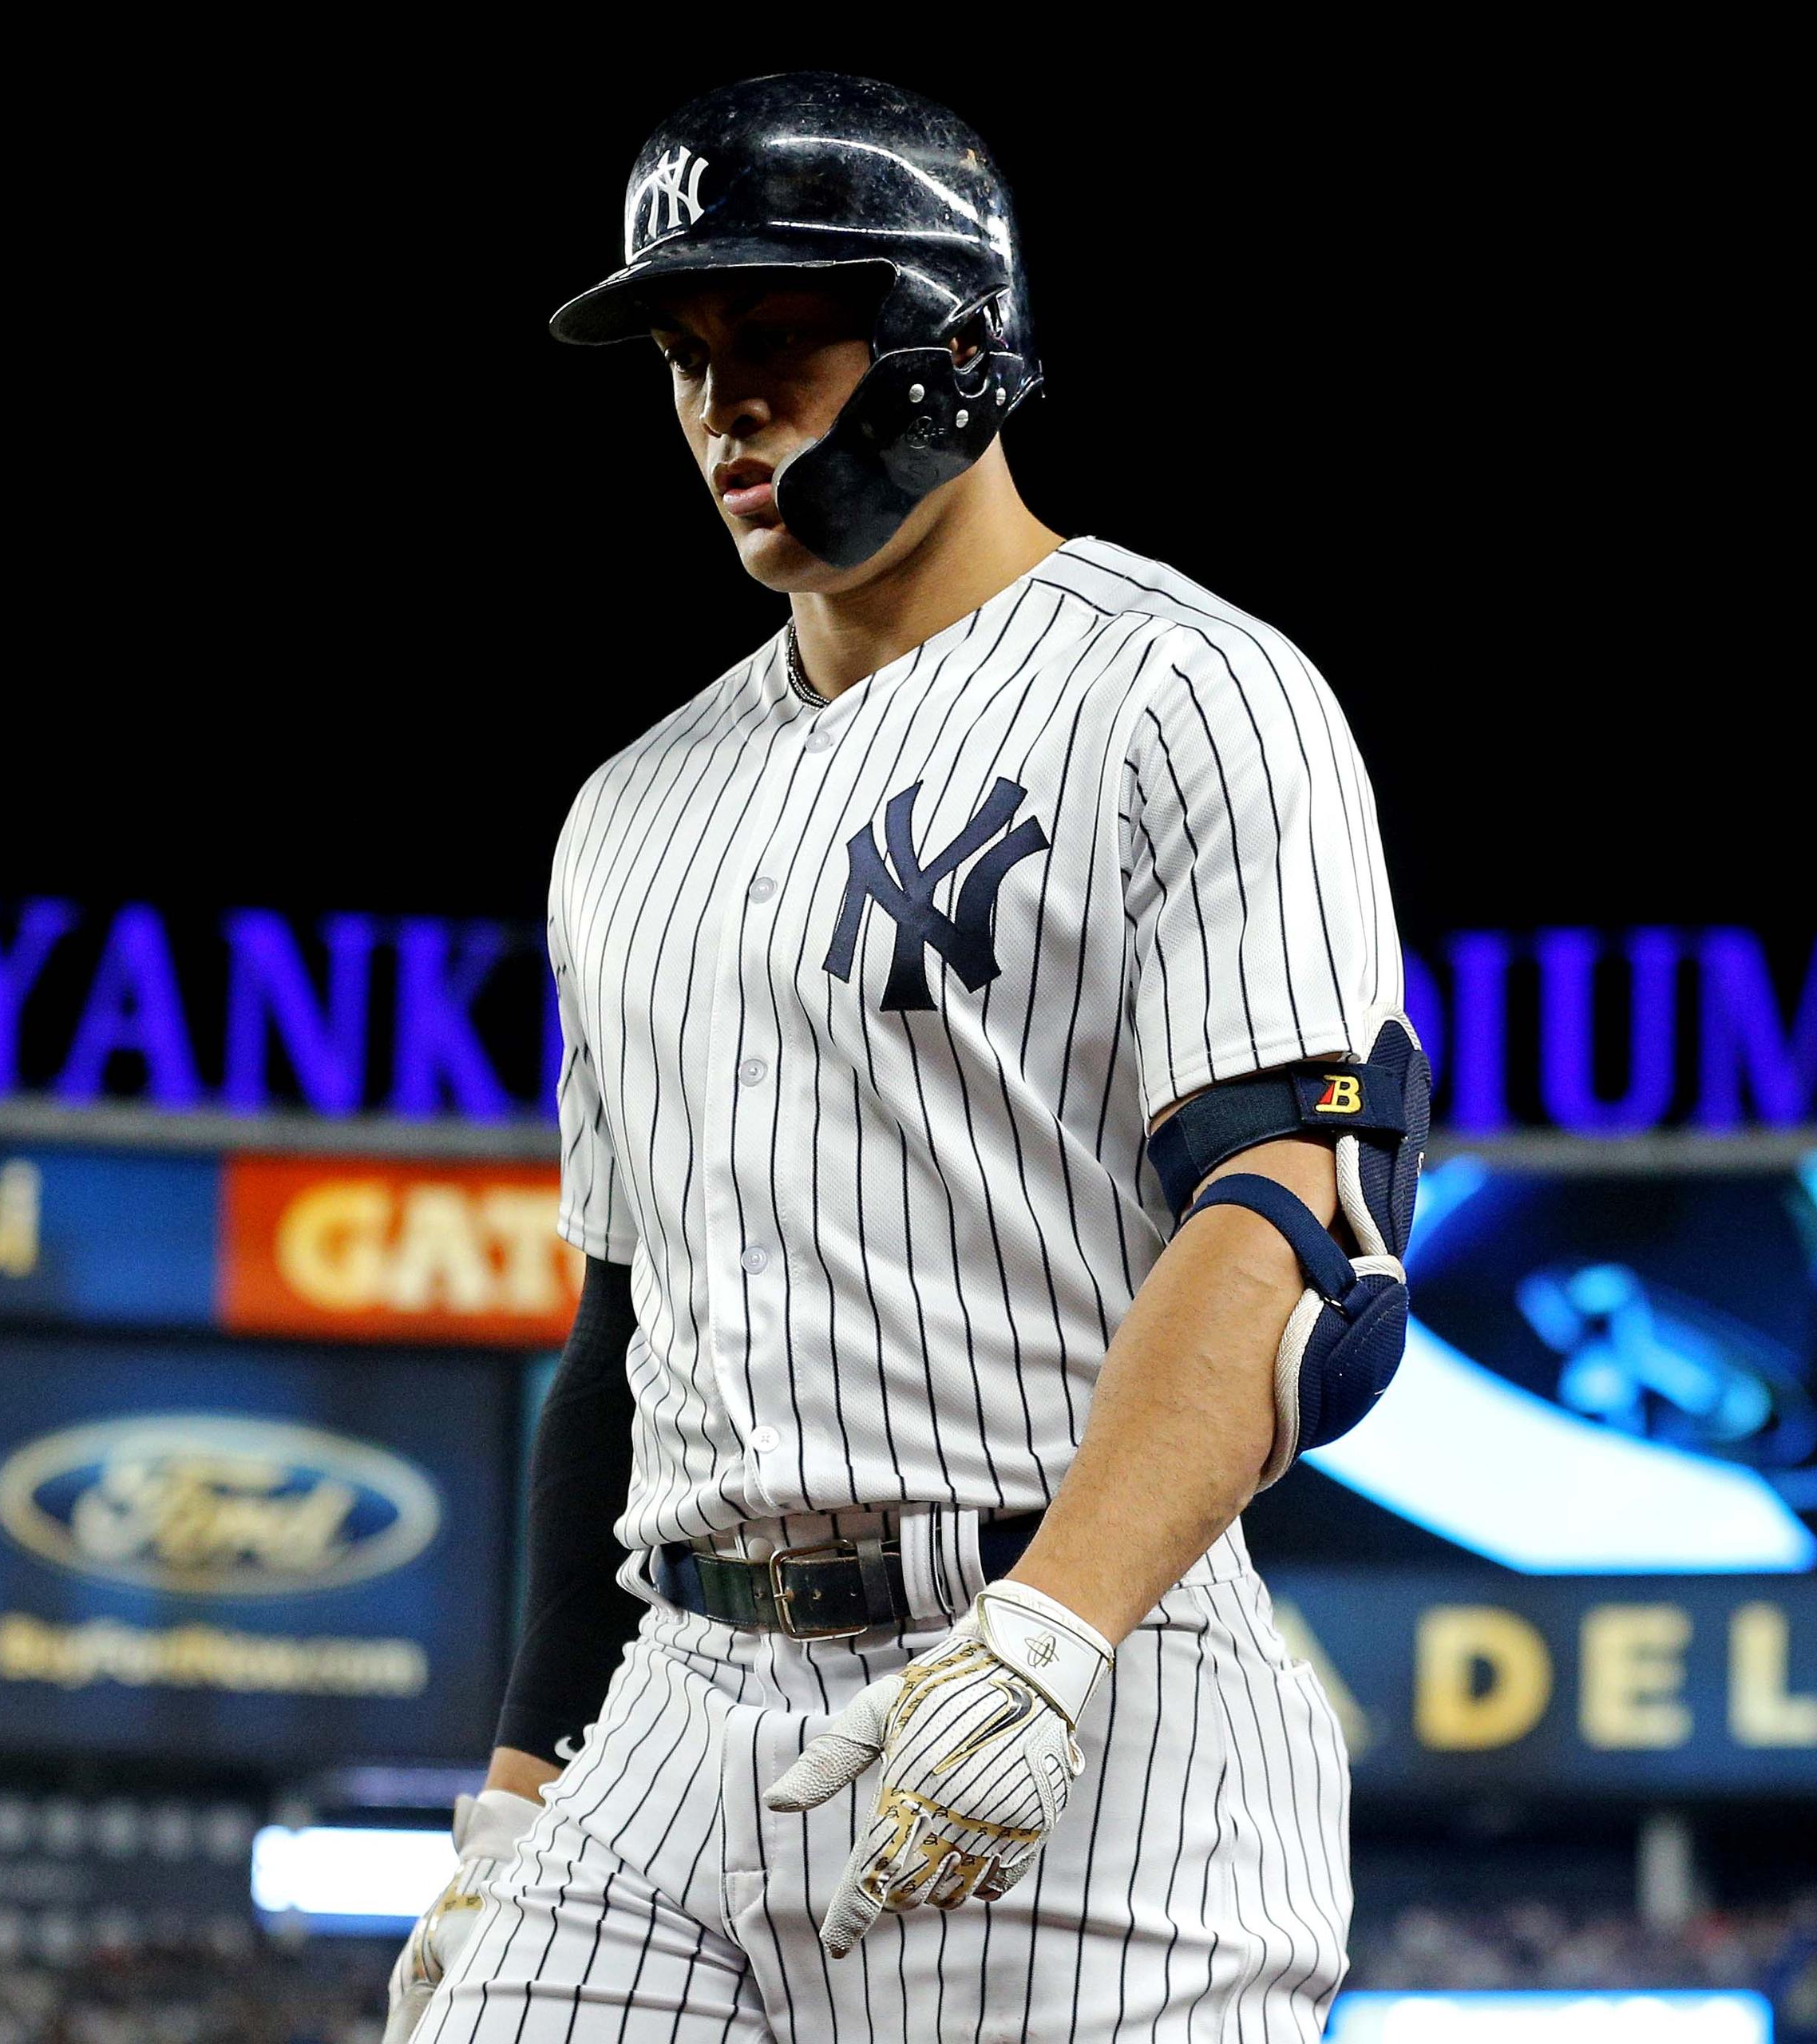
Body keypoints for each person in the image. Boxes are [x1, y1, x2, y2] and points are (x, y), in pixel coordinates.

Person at [388, 70, 1420, 2042]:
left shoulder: (1187, 690)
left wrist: (1045, 1640)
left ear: (959, 339)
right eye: (688, 356)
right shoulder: (628, 808)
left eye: (780, 336)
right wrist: (518, 1804)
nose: (722, 406)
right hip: (680, 1718)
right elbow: (626, 1340)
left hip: (1086, 1690)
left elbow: (1307, 1231)